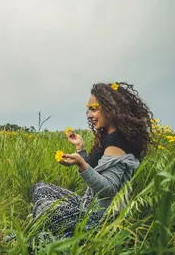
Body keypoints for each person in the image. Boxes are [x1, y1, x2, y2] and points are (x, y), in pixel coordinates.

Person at [30, 82, 153, 245]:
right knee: (40, 188)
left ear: (111, 108)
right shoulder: (111, 136)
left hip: (100, 219)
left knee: (45, 207)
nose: (89, 115)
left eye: (93, 109)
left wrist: (81, 164)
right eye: (88, 109)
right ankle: (56, 231)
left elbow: (108, 189)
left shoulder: (117, 140)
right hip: (87, 204)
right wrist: (81, 149)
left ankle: (77, 238)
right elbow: (97, 170)